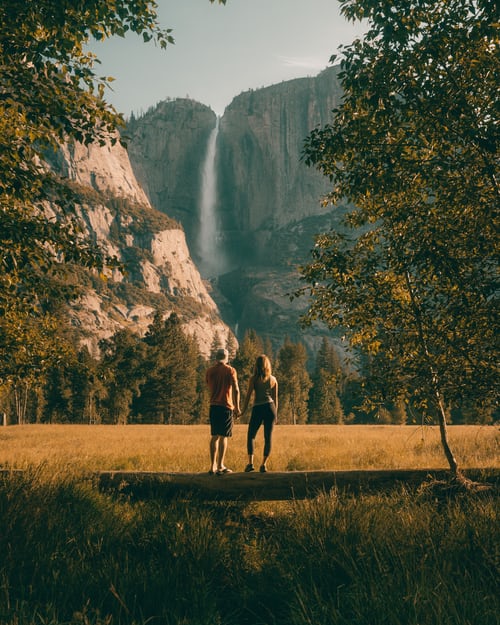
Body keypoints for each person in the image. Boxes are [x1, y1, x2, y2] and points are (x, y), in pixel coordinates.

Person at [205, 347, 241, 475]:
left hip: (213, 406)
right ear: (226, 358)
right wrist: (237, 407)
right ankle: (220, 465)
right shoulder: (230, 370)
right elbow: (236, 389)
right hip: (226, 406)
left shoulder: (209, 371)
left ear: (216, 357)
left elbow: (208, 385)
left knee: (214, 436)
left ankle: (212, 466)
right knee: (224, 436)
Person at [241, 354, 278, 473]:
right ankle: (263, 464)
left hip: (258, 408)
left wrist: (243, 410)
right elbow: (275, 398)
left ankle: (250, 463)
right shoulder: (273, 379)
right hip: (270, 408)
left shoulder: (254, 379)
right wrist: (275, 414)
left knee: (251, 435)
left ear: (256, 365)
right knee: (268, 437)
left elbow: (248, 396)